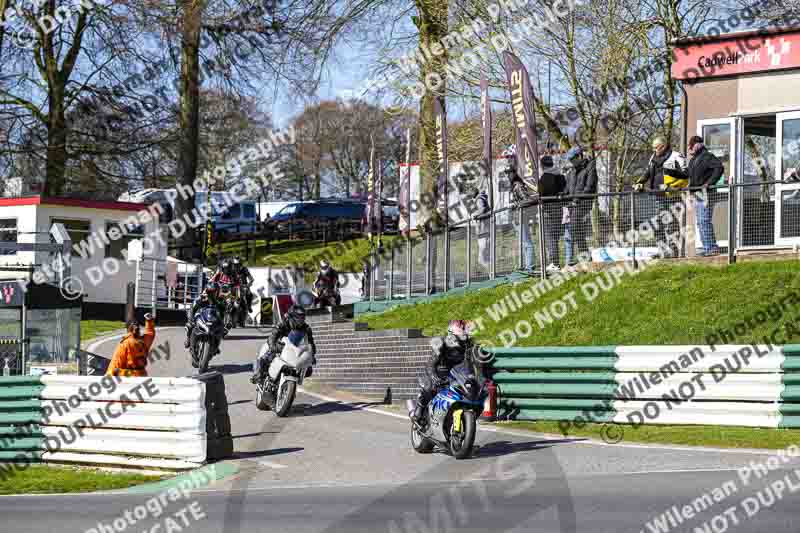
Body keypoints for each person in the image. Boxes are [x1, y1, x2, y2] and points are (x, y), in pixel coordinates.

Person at [412, 320, 476, 424]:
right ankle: (419, 411)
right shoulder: (441, 343)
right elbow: (431, 364)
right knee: (429, 386)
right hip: (438, 371)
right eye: (459, 338)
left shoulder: (468, 345)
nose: (462, 341)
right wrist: (434, 377)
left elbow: (472, 363)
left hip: (455, 374)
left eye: (464, 337)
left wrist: (474, 376)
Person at [634, 136, 688, 257]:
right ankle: (662, 251)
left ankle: (673, 252)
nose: (654, 150)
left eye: (656, 148)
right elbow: (647, 172)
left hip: (672, 196)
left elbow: (685, 176)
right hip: (657, 196)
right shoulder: (653, 157)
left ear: (663, 146)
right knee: (656, 224)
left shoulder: (676, 156)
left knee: (671, 224)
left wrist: (670, 186)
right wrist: (639, 182)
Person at [251, 304, 317, 383]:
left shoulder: (306, 328)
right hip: (281, 345)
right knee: (267, 355)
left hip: (295, 350)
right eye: (299, 318)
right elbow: (273, 335)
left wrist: (312, 355)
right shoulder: (283, 323)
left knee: (308, 369)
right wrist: (273, 346)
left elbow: (311, 344)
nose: (301, 320)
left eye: (302, 318)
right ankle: (258, 375)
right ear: (292, 317)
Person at [686, 135, 724, 256]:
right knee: (701, 222)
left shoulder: (707, 156)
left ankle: (712, 248)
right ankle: (707, 247)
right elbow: (689, 175)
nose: (689, 148)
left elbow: (719, 168)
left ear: (698, 144)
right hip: (697, 195)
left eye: (691, 145)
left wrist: (709, 183)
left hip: (707, 194)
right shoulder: (693, 160)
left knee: (704, 220)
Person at [563, 145, 598, 266]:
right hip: (573, 203)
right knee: (576, 229)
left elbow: (590, 187)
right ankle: (585, 255)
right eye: (570, 160)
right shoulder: (572, 171)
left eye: (573, 159)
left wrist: (578, 198)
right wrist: (562, 194)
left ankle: (585, 255)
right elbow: (567, 187)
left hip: (584, 203)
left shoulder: (590, 167)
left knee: (574, 226)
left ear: (579, 156)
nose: (571, 162)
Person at [508, 158, 539, 272]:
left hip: (521, 217)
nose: (508, 176)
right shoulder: (513, 186)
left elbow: (527, 199)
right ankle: (527, 266)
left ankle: (530, 267)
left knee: (527, 243)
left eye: (510, 173)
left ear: (514, 173)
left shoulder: (518, 185)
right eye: (507, 173)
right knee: (524, 243)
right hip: (517, 218)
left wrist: (515, 204)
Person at [539, 155, 567, 272]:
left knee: (551, 237)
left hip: (549, 210)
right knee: (555, 237)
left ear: (543, 165)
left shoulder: (545, 178)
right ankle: (555, 262)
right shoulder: (560, 175)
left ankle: (554, 263)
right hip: (559, 209)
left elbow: (541, 193)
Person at [106, 313, 155, 377]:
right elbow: (150, 334)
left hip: (129, 377)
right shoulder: (143, 341)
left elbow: (116, 363)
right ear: (138, 329)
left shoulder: (125, 344)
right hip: (142, 375)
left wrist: (108, 375)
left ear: (127, 329)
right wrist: (149, 321)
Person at [184, 282, 226, 349]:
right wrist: (190, 320)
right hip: (201, 315)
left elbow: (224, 311)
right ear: (207, 291)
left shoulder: (221, 299)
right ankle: (188, 339)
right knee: (190, 325)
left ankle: (216, 344)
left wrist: (223, 324)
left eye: (214, 292)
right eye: (210, 292)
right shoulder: (202, 297)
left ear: (218, 292)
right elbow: (193, 308)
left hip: (213, 317)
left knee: (221, 330)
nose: (212, 294)